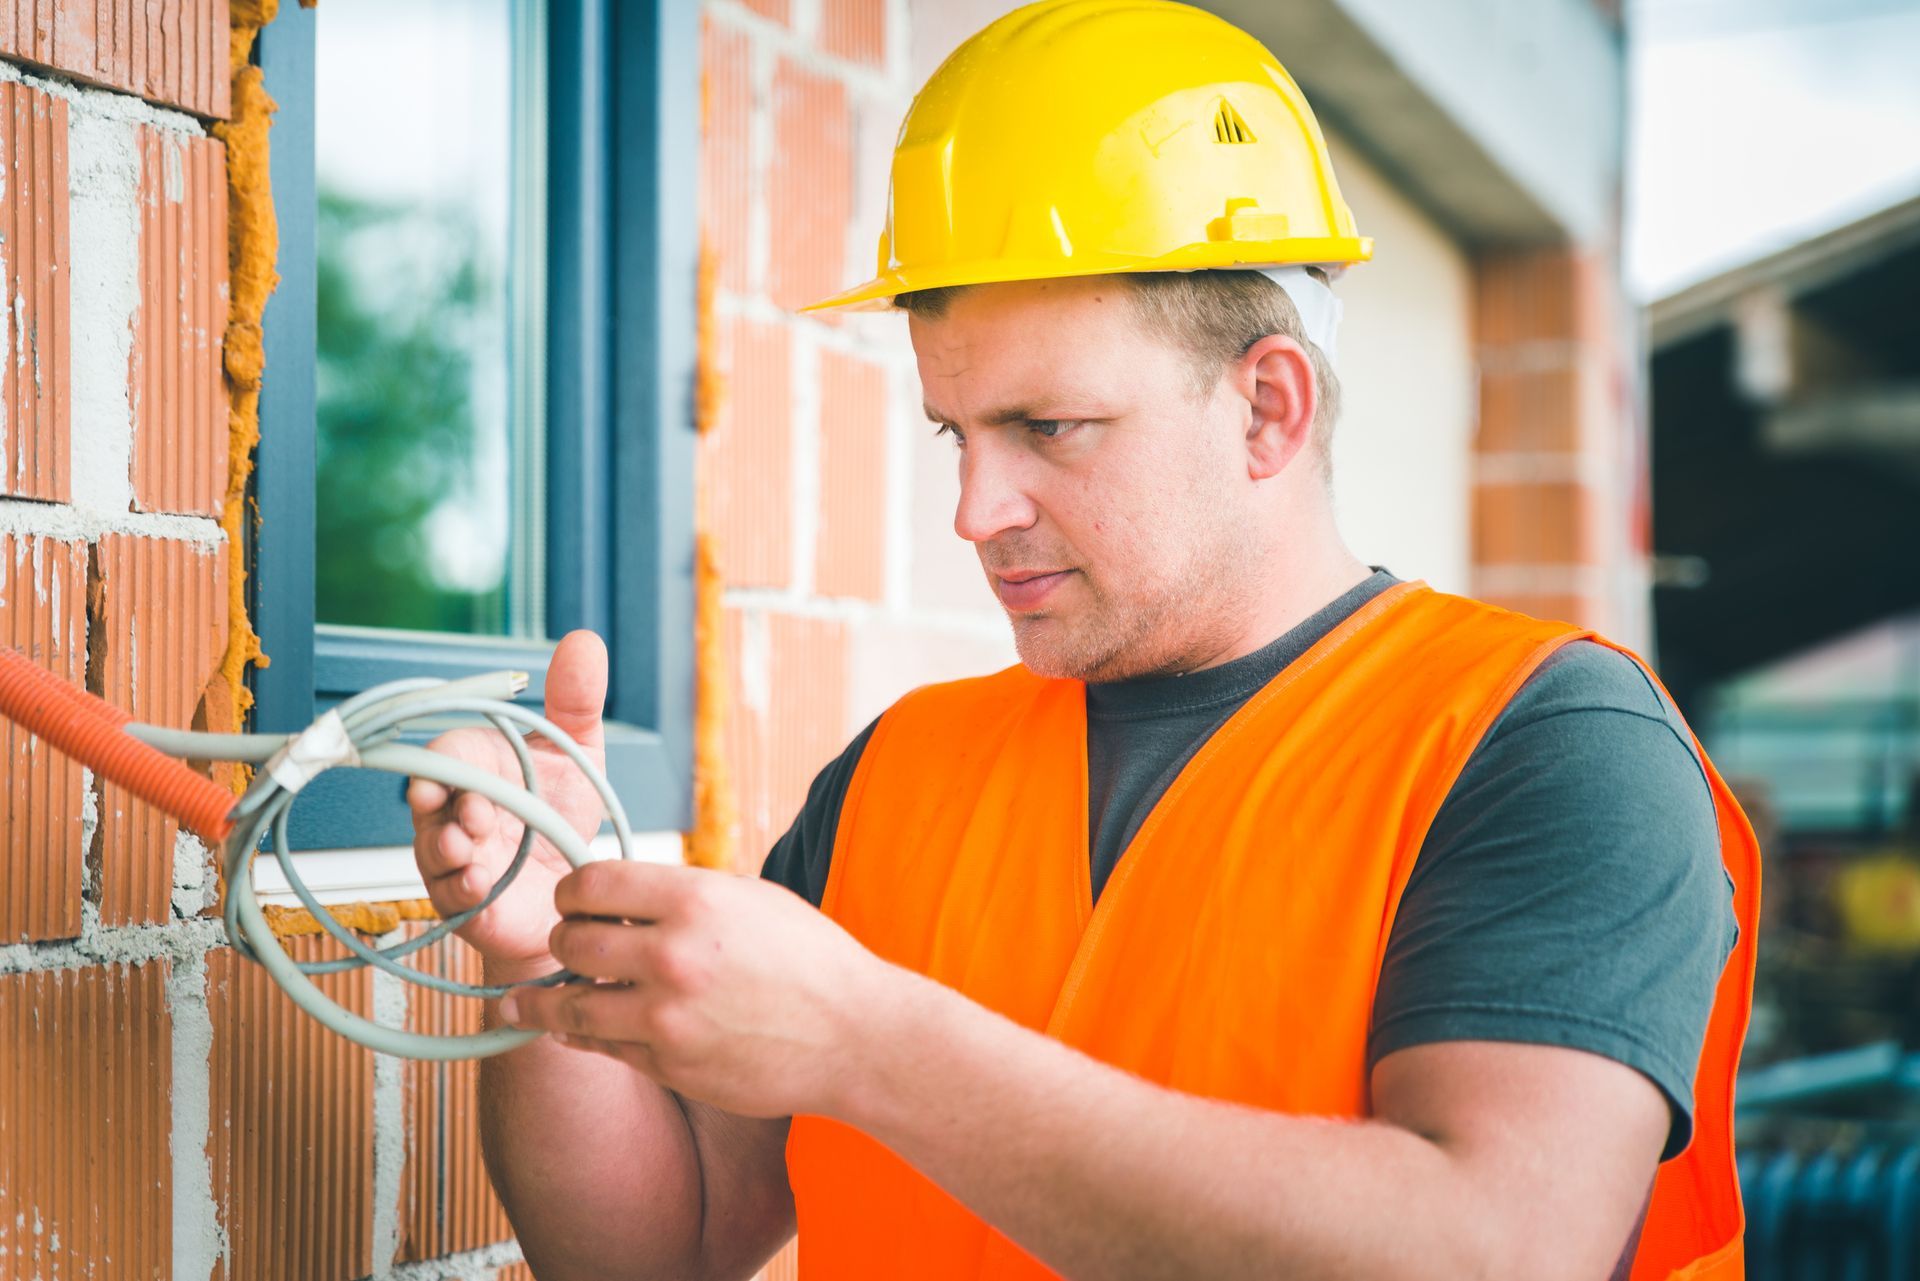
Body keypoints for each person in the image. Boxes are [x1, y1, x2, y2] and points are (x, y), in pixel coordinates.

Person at [406, 2, 1759, 1277]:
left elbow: (1491, 1248)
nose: (975, 509)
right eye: (958, 431)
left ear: (1268, 409)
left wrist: (870, 1043)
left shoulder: (1546, 745)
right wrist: (542, 950)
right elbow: (660, 1248)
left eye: (1049, 429)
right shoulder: (900, 774)